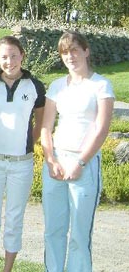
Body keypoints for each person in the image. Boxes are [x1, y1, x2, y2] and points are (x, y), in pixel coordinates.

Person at [41, 31, 114, 272]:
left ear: (86, 51)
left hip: (84, 164)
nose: (70, 56)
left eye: (74, 50)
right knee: (53, 230)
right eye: (64, 52)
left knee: (80, 235)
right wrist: (51, 160)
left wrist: (80, 162)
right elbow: (46, 127)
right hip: (56, 163)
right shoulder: (56, 86)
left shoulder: (101, 85)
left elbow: (101, 129)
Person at [0, 36, 45, 272]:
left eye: (14, 55)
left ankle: (7, 269)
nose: (9, 61)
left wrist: (27, 145)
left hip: (21, 164)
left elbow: (39, 123)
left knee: (15, 217)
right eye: (4, 56)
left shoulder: (35, 86)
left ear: (22, 56)